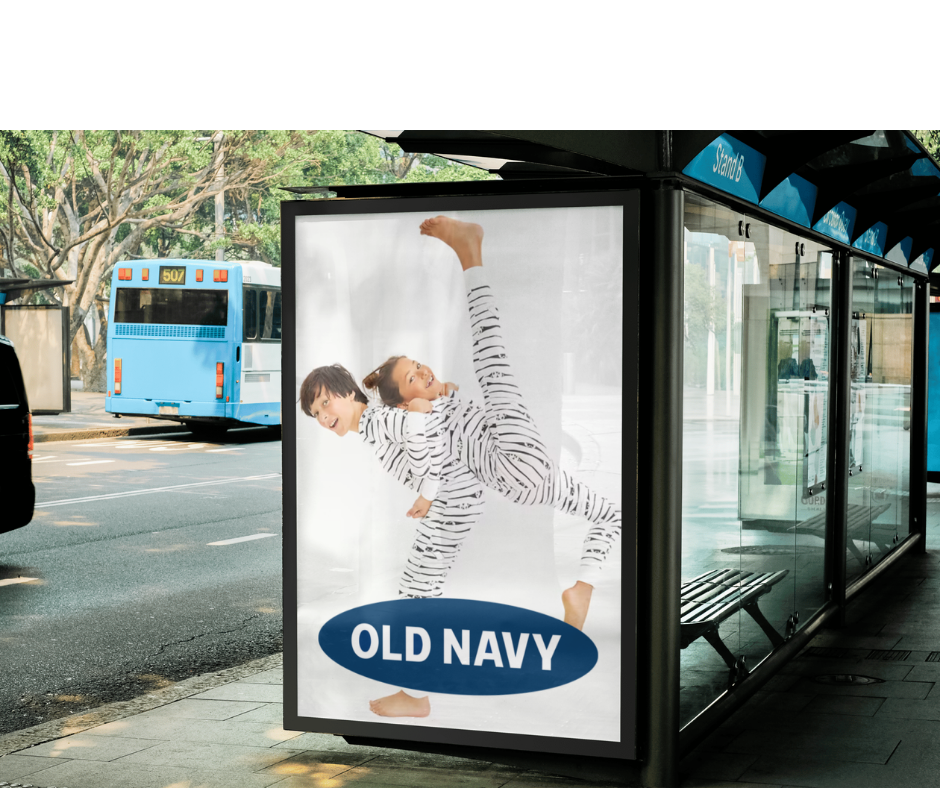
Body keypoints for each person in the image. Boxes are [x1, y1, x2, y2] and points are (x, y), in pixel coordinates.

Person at [362, 216, 622, 633]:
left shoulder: (435, 400)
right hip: (511, 460)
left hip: (528, 479)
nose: (423, 372)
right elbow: (423, 441)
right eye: (413, 377)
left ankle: (582, 589)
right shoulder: (418, 415)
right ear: (406, 400)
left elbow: (439, 408)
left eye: (418, 364)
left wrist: (440, 387)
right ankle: (469, 252)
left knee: (610, 515)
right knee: (492, 356)